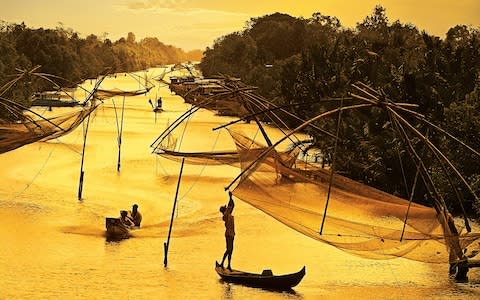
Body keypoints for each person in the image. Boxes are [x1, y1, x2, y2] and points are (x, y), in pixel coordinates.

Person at [219, 191, 235, 271]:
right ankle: (223, 263)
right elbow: (231, 205)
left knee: (230, 250)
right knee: (229, 250)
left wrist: (231, 197)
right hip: (229, 235)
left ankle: (227, 264)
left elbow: (232, 205)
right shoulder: (225, 215)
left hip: (231, 234)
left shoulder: (227, 214)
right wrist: (230, 197)